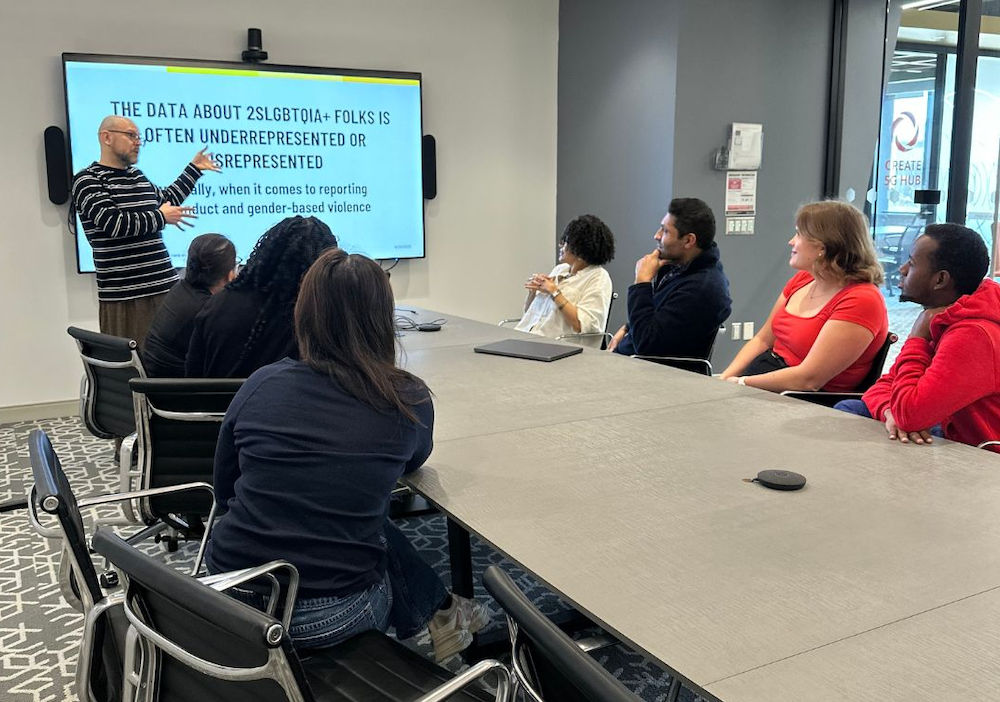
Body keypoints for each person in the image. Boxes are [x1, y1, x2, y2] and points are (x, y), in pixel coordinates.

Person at [206, 248, 488, 660]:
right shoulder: (406, 399)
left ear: (305, 313)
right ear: (383, 318)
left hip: (226, 593)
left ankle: (442, 612)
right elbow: (412, 462)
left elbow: (223, 488)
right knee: (365, 523)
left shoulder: (261, 383)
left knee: (345, 515)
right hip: (331, 615)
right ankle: (440, 612)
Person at [836, 224, 1000, 451]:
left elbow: (910, 416)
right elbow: (882, 387)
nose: (902, 269)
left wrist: (917, 338)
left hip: (976, 454)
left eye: (912, 264)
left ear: (940, 279)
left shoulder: (973, 335)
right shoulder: (949, 318)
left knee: (854, 417)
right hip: (943, 426)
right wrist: (890, 413)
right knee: (852, 408)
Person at [71, 115, 220, 346]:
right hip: (126, 298)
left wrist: (194, 170)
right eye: (131, 135)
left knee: (176, 364)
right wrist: (160, 217)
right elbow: (114, 224)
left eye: (139, 137)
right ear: (107, 137)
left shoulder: (137, 177)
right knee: (137, 370)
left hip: (166, 290)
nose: (138, 142)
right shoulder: (88, 181)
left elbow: (167, 199)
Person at [721, 201, 888, 392]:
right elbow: (763, 339)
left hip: (803, 400)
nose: (791, 241)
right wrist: (725, 378)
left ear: (822, 247)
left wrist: (742, 383)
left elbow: (809, 380)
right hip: (766, 383)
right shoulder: (803, 279)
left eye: (799, 234)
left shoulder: (862, 300)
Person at [185, 216, 336, 378]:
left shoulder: (216, 304)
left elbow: (193, 375)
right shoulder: (310, 321)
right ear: (317, 270)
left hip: (212, 402)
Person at [609, 198, 731, 357]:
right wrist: (627, 328)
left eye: (665, 231)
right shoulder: (678, 268)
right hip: (629, 361)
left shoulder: (701, 289)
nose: (656, 236)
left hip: (649, 372)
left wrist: (641, 283)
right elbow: (659, 318)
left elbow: (646, 345)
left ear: (688, 240)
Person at [142, 234, 237, 377]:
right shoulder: (208, 309)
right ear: (230, 275)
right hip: (180, 391)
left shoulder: (180, 289)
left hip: (156, 384)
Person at [514, 214, 615, 347]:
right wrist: (534, 291)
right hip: (526, 338)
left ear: (580, 249)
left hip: (557, 347)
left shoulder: (598, 277)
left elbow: (583, 324)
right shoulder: (560, 270)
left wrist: (554, 292)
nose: (561, 245)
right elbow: (530, 313)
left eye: (566, 241)